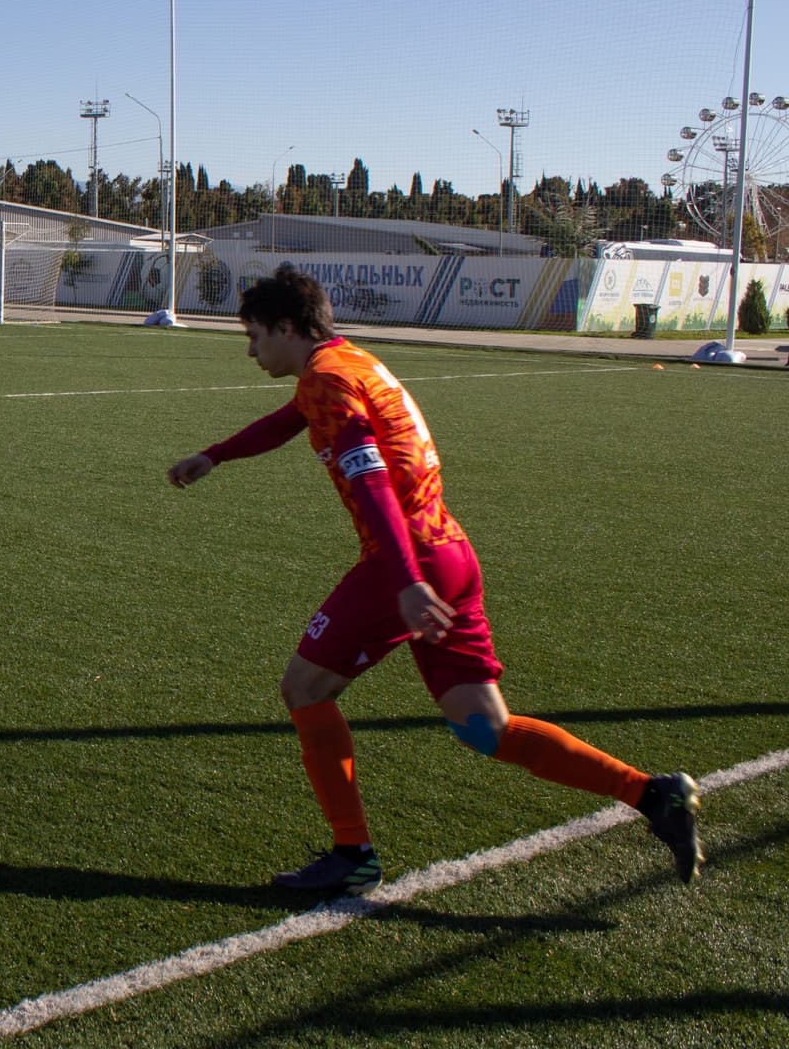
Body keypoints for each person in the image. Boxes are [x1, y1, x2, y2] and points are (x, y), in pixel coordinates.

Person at [164, 267, 702, 895]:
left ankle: (351, 852)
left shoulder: (331, 382)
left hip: (408, 563)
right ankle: (652, 795)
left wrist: (404, 582)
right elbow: (291, 419)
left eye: (255, 335)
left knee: (305, 688)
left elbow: (370, 484)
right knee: (484, 728)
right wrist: (217, 454)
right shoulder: (348, 364)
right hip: (451, 551)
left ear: (287, 328)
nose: (251, 350)